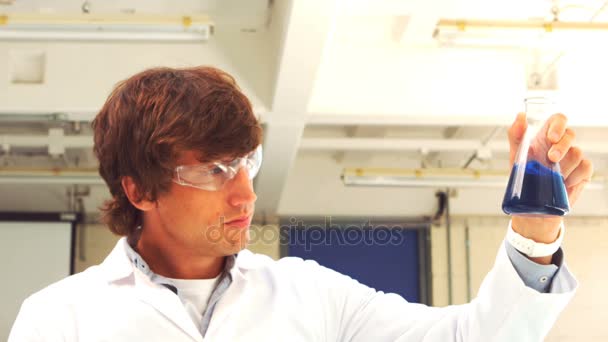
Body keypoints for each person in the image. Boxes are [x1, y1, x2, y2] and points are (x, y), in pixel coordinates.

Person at [9, 66, 593, 341]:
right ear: (138, 190)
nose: (246, 193)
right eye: (215, 172)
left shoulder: (308, 296)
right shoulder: (60, 319)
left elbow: (474, 339)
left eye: (246, 164)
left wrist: (534, 226)